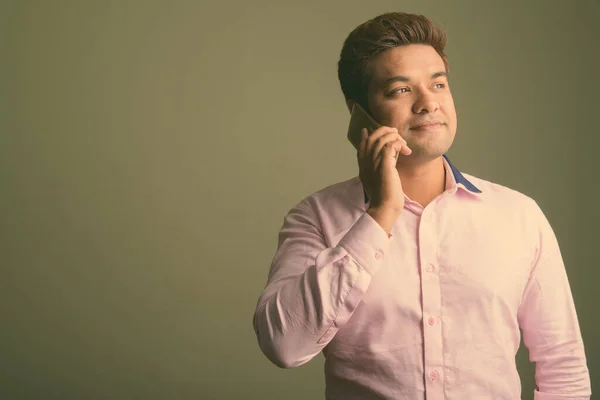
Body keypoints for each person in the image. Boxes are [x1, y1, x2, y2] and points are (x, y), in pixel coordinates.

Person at [252, 11, 591, 400]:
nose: (428, 104)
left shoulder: (520, 216)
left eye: (439, 84)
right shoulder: (315, 218)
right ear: (357, 111)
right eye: (400, 90)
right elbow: (283, 345)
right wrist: (380, 215)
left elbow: (562, 364)